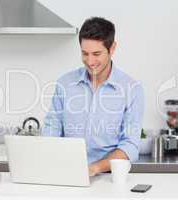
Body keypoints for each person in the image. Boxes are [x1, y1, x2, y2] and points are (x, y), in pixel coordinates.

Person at [42, 17, 144, 176]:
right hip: (66, 174)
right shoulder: (65, 83)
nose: (90, 61)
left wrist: (94, 168)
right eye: (85, 53)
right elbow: (52, 129)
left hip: (108, 177)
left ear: (112, 49)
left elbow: (129, 146)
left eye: (96, 54)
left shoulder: (131, 89)